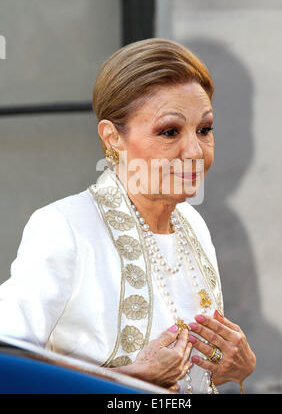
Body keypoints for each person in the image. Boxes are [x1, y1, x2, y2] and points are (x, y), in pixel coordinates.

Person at [0, 39, 256, 393]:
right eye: (169, 132)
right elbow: (8, 360)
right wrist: (125, 380)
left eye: (204, 129)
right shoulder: (65, 228)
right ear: (112, 138)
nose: (195, 151)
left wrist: (236, 365)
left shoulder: (193, 225)